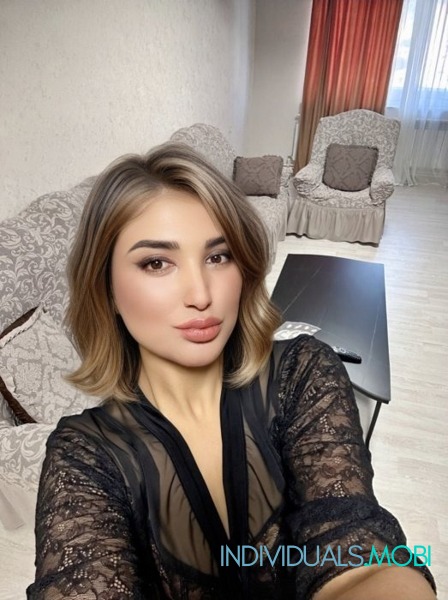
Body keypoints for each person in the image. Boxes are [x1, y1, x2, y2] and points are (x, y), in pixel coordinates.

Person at [27, 143, 436, 599]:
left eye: (218, 256)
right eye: (157, 263)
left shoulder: (302, 373)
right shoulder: (83, 456)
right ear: (106, 288)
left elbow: (356, 549)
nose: (201, 294)